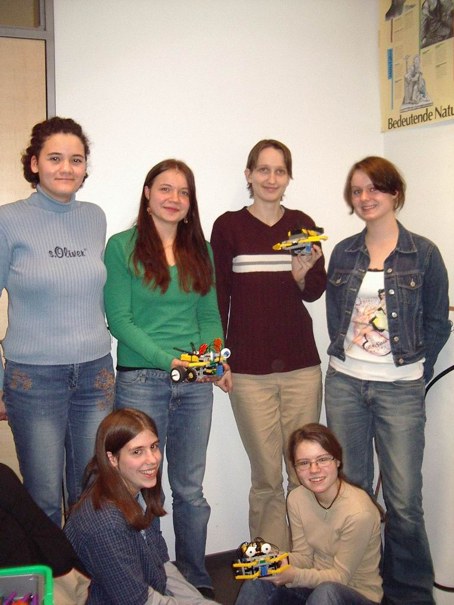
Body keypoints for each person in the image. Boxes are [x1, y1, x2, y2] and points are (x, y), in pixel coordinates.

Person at [325, 156, 451, 605]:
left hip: (400, 389)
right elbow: (335, 317)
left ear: (395, 192)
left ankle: (412, 596)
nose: (365, 198)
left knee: (403, 503)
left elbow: (438, 323)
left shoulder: (425, 253)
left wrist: (414, 372)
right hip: (344, 384)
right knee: (353, 495)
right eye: (357, 190)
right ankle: (362, 589)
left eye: (374, 188)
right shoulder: (343, 252)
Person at [103, 159, 231, 598]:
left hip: (194, 384)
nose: (174, 198)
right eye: (165, 189)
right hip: (141, 380)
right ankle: (151, 578)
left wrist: (213, 360)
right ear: (147, 193)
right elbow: (120, 321)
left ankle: (196, 578)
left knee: (190, 489)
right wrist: (171, 361)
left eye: (183, 192)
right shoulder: (121, 247)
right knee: (141, 487)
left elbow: (209, 315)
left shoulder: (202, 249)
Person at [210, 139, 325, 551]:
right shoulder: (228, 227)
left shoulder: (301, 224)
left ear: (288, 177)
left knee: (304, 472)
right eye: (263, 169)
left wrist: (301, 274)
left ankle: (308, 560)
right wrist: (219, 359)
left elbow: (315, 290)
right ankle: (269, 564)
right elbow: (218, 297)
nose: (271, 178)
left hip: (301, 368)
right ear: (249, 174)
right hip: (248, 371)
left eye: (279, 171)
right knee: (266, 478)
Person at [0, 117, 115, 526]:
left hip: (95, 374)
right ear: (34, 164)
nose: (67, 168)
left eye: (76, 159)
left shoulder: (95, 217)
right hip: (34, 379)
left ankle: (87, 567)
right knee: (44, 498)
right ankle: (52, 570)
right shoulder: (7, 219)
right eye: (55, 158)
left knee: (93, 491)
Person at [64, 408, 218, 604]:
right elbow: (138, 601)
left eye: (154, 447)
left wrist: (199, 602)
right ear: (112, 458)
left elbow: (163, 565)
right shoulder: (106, 522)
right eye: (137, 452)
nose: (152, 459)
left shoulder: (138, 493)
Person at [235, 423, 383, 605]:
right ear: (295, 468)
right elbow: (305, 557)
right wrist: (276, 559)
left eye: (322, 459)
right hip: (315, 585)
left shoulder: (359, 512)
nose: (314, 469)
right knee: (260, 577)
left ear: (337, 461)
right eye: (304, 463)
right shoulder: (297, 498)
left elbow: (340, 577)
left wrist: (293, 576)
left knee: (326, 592)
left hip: (355, 594)